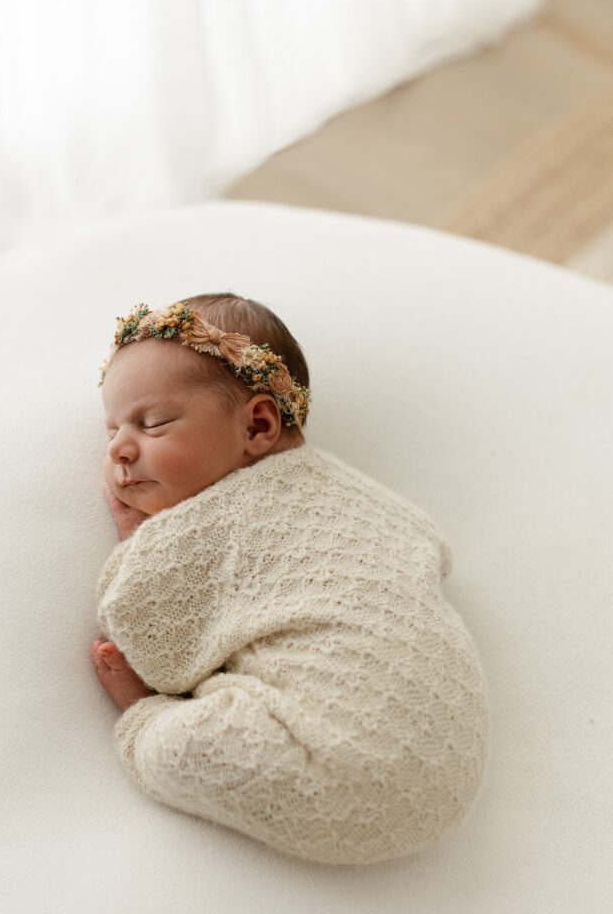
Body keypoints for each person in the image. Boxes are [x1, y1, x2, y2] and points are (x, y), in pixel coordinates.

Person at [90, 292, 489, 865]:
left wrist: (142, 549)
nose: (120, 449)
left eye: (152, 424)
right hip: (444, 762)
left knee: (170, 744)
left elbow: (156, 652)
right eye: (111, 433)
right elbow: (429, 543)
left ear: (258, 423)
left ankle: (144, 719)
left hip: (327, 768)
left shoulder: (215, 518)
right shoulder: (348, 491)